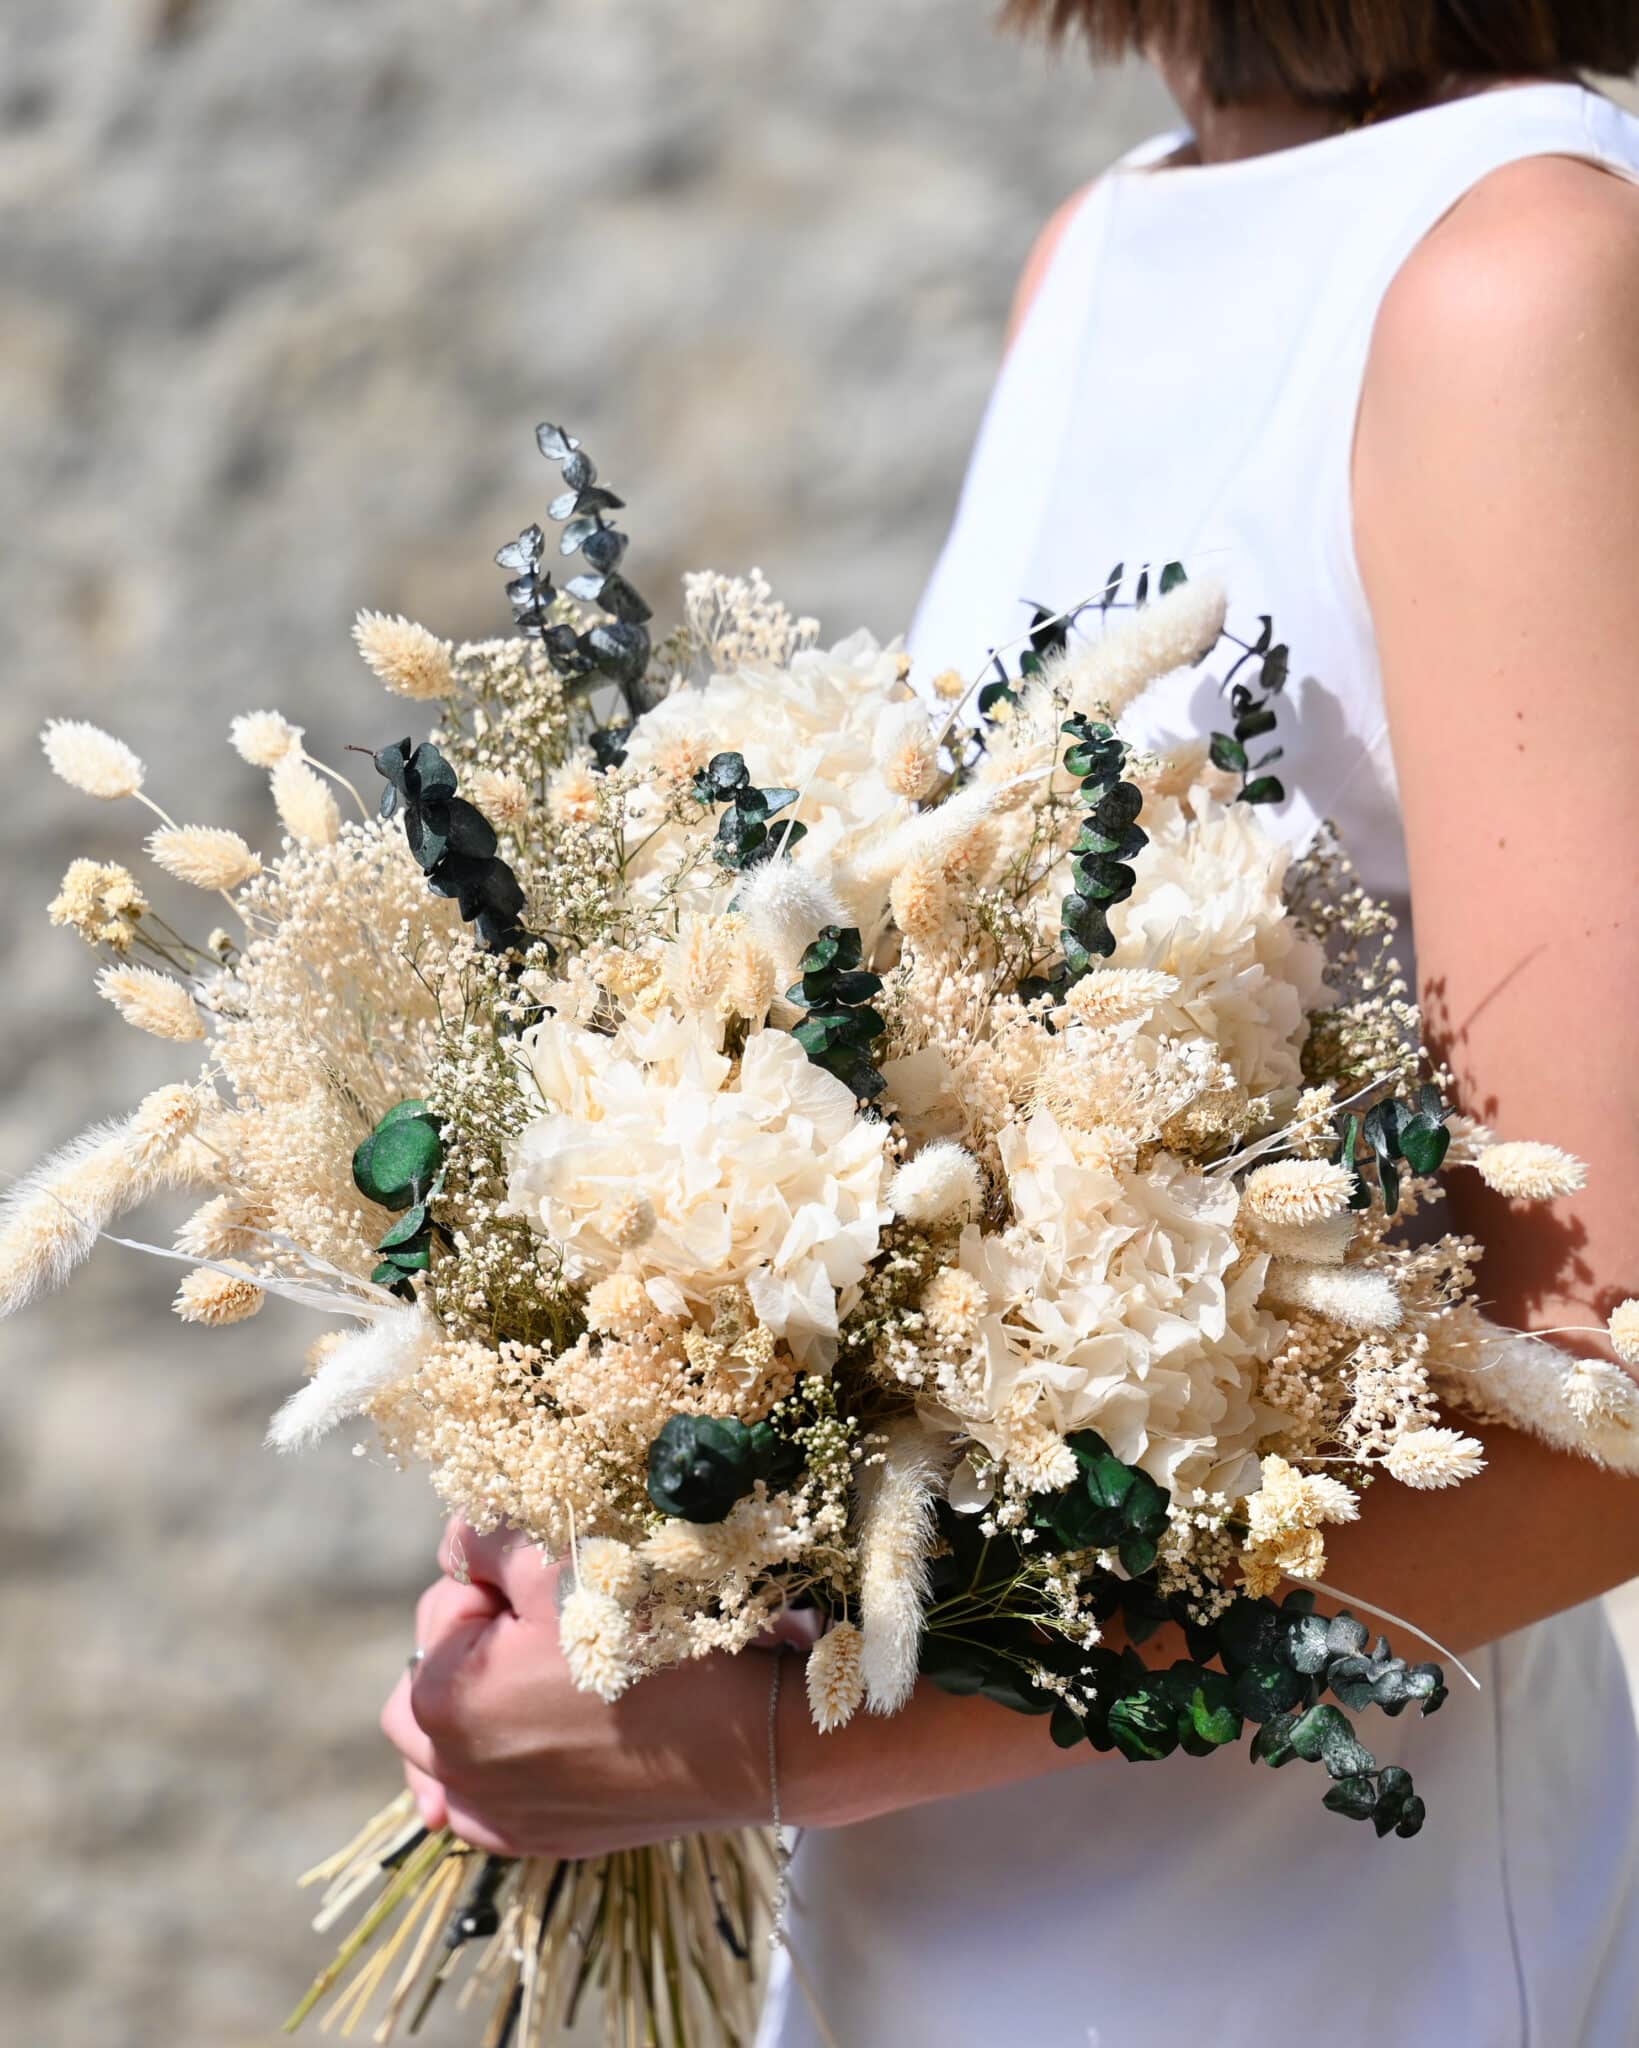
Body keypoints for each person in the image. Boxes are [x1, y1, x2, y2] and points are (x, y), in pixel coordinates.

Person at [380, 6, 1639, 2040]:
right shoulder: (1116, 243)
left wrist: (777, 1742)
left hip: (1321, 1942)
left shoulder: (1518, 275)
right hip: (932, 1921)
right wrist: (642, 1457)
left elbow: (1603, 1412)